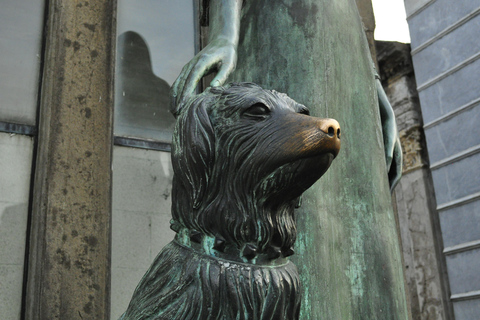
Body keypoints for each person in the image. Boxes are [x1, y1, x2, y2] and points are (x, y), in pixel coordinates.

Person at [171, 0, 408, 318]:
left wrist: (373, 86)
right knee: (291, 222)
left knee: (364, 246)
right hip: (280, 28)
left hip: (349, 53)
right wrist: (224, 31)